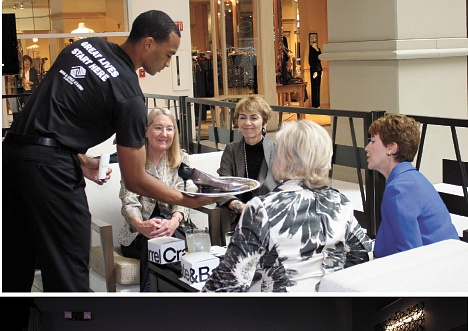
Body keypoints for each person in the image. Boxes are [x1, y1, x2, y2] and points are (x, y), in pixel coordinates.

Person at [2, 9, 215, 293]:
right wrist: (187, 200)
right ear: (149, 43)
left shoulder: (85, 46)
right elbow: (135, 179)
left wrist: (77, 158)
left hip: (12, 156)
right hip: (49, 172)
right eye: (168, 54)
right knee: (69, 272)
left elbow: (53, 115)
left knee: (14, 265)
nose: (168, 63)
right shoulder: (130, 96)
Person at [203, 119, 372, 292]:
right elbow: (361, 256)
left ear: (286, 159)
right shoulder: (340, 202)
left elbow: (229, 283)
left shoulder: (262, 208)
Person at [365, 114, 459, 259]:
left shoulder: (400, 189)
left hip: (435, 269)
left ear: (391, 148)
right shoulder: (408, 179)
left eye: (372, 141)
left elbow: (410, 255)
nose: (366, 148)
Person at [119, 107, 191, 291]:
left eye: (169, 128)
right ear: (146, 130)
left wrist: (175, 221)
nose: (164, 134)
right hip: (137, 233)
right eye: (158, 128)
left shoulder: (181, 159)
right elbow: (129, 200)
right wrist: (141, 226)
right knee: (155, 242)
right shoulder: (133, 159)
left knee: (165, 239)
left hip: (173, 227)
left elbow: (184, 196)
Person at [216, 95, 279, 230]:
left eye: (254, 118)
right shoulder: (231, 150)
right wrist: (240, 207)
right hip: (238, 216)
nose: (247, 123)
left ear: (264, 122)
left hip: (270, 216)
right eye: (242, 117)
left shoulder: (277, 151)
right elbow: (222, 187)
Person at [308, 40, 322, 108]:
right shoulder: (311, 49)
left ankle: (318, 104)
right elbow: (310, 61)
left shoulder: (318, 49)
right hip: (315, 70)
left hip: (319, 69)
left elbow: (320, 60)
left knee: (318, 87)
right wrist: (314, 71)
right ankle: (314, 104)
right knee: (314, 87)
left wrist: (321, 70)